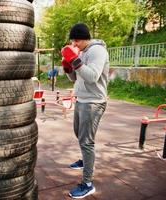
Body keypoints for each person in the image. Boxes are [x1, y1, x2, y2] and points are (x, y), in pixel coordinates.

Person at [61, 23, 109, 198]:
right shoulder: (81, 51)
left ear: (85, 38)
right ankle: (86, 160)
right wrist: (67, 67)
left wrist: (74, 60)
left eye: (77, 40)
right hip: (82, 100)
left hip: (94, 102)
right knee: (80, 135)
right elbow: (75, 76)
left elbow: (92, 77)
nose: (75, 43)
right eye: (73, 40)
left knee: (86, 141)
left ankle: (88, 184)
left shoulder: (98, 51)